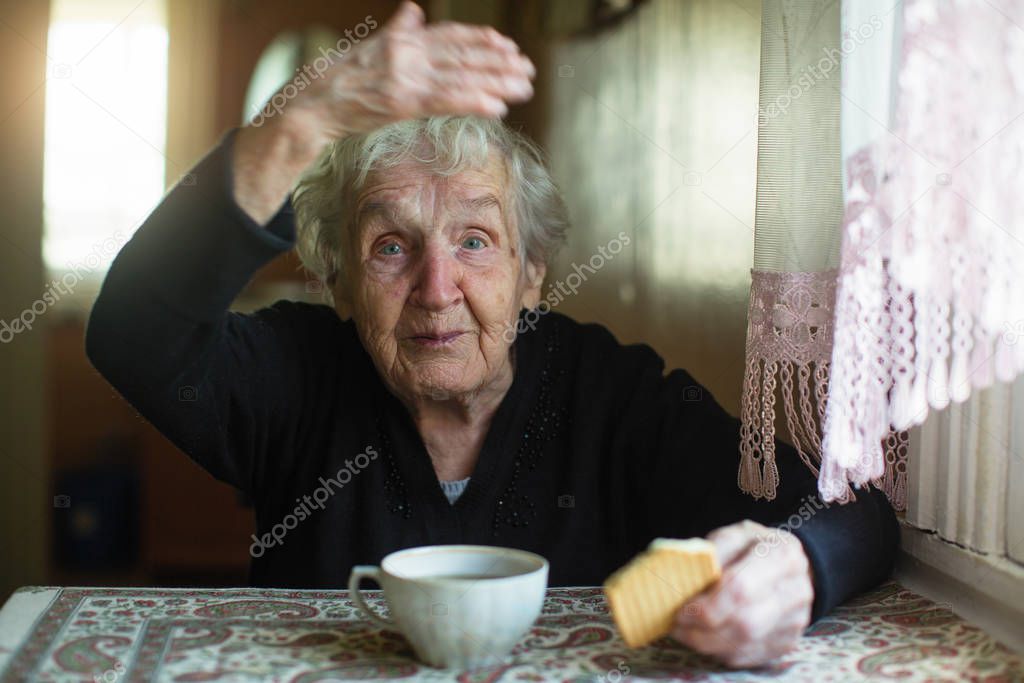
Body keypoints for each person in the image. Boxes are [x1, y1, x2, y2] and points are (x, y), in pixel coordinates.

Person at [85, 1, 898, 668]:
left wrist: (797, 567)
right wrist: (305, 122)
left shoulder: (608, 395)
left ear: (531, 271)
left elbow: (844, 507)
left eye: (475, 241)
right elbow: (131, 329)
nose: (438, 291)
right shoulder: (296, 377)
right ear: (336, 279)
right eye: (391, 246)